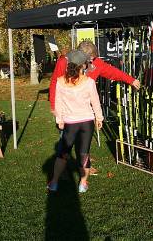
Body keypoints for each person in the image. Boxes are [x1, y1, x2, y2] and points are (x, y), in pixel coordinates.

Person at [49, 41, 140, 174]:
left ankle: (85, 165)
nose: (93, 61)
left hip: (84, 113)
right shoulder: (64, 62)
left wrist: (130, 79)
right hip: (66, 112)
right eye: (90, 59)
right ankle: (61, 172)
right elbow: (54, 84)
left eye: (93, 59)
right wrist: (54, 108)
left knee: (84, 141)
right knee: (65, 144)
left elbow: (111, 72)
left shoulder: (96, 63)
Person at [47, 50, 104, 193]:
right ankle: (83, 184)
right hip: (87, 123)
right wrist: (99, 118)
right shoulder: (89, 82)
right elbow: (95, 102)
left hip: (70, 123)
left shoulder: (61, 81)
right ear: (83, 65)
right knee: (84, 153)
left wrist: (59, 119)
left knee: (63, 153)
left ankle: (54, 183)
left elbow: (58, 102)